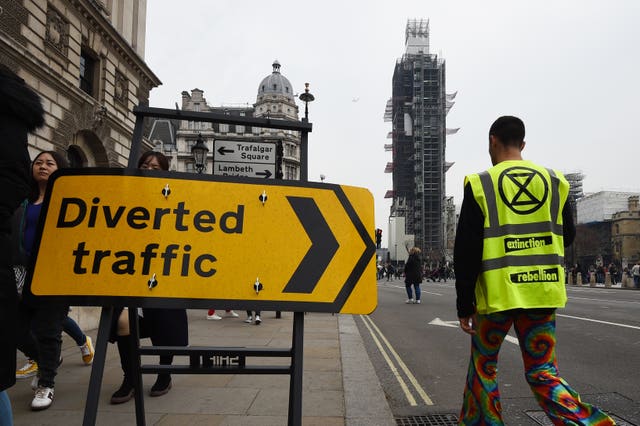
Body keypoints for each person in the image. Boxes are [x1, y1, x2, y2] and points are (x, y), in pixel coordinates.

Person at [454, 116, 614, 425]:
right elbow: (566, 236)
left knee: (484, 368)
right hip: (541, 293)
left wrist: (464, 303)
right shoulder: (555, 182)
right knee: (543, 373)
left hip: (497, 296)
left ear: (492, 140)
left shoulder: (480, 183)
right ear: (523, 144)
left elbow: (467, 251)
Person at [109, 151, 189, 404]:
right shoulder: (128, 195)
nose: (150, 169)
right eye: (145, 165)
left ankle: (164, 374)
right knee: (123, 322)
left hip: (165, 270)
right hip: (131, 271)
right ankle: (130, 377)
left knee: (165, 327)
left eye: (156, 167)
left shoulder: (174, 195)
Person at [0, 64, 45, 424]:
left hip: (39, 266)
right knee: (24, 322)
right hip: (16, 263)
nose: (42, 166)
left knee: (49, 322)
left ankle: (47, 370)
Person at [13, 151, 72, 411]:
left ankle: (46, 383)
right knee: (15, 329)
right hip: (22, 274)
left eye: (50, 163)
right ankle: (47, 359)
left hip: (53, 273)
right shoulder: (23, 200)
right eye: (38, 163)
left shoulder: (67, 200)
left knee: (48, 330)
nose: (43, 166)